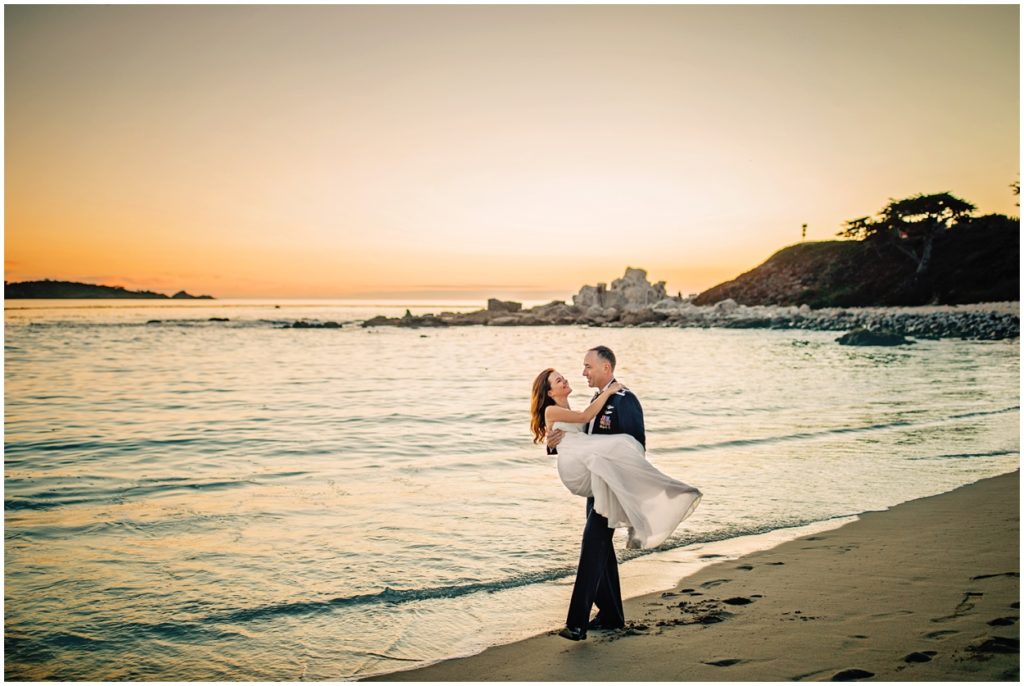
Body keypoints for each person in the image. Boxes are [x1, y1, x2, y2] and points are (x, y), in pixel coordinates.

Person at [531, 346, 702, 641]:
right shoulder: (593, 400)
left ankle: (577, 623)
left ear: (605, 368)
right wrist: (552, 440)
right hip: (595, 478)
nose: (582, 372)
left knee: (593, 546)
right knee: (600, 548)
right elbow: (575, 432)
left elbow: (635, 442)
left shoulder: (624, 398)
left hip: (609, 480)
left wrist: (630, 481)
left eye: (588, 366)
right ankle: (611, 615)